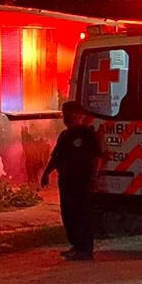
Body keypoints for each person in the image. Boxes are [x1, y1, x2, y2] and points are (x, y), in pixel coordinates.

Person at [41, 100, 102, 261]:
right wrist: (47, 172)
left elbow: (96, 158)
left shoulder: (86, 134)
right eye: (64, 113)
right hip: (66, 180)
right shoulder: (64, 135)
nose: (66, 117)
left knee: (81, 213)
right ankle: (76, 245)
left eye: (69, 113)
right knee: (68, 213)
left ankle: (85, 249)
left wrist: (94, 178)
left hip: (81, 180)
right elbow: (56, 156)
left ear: (78, 115)